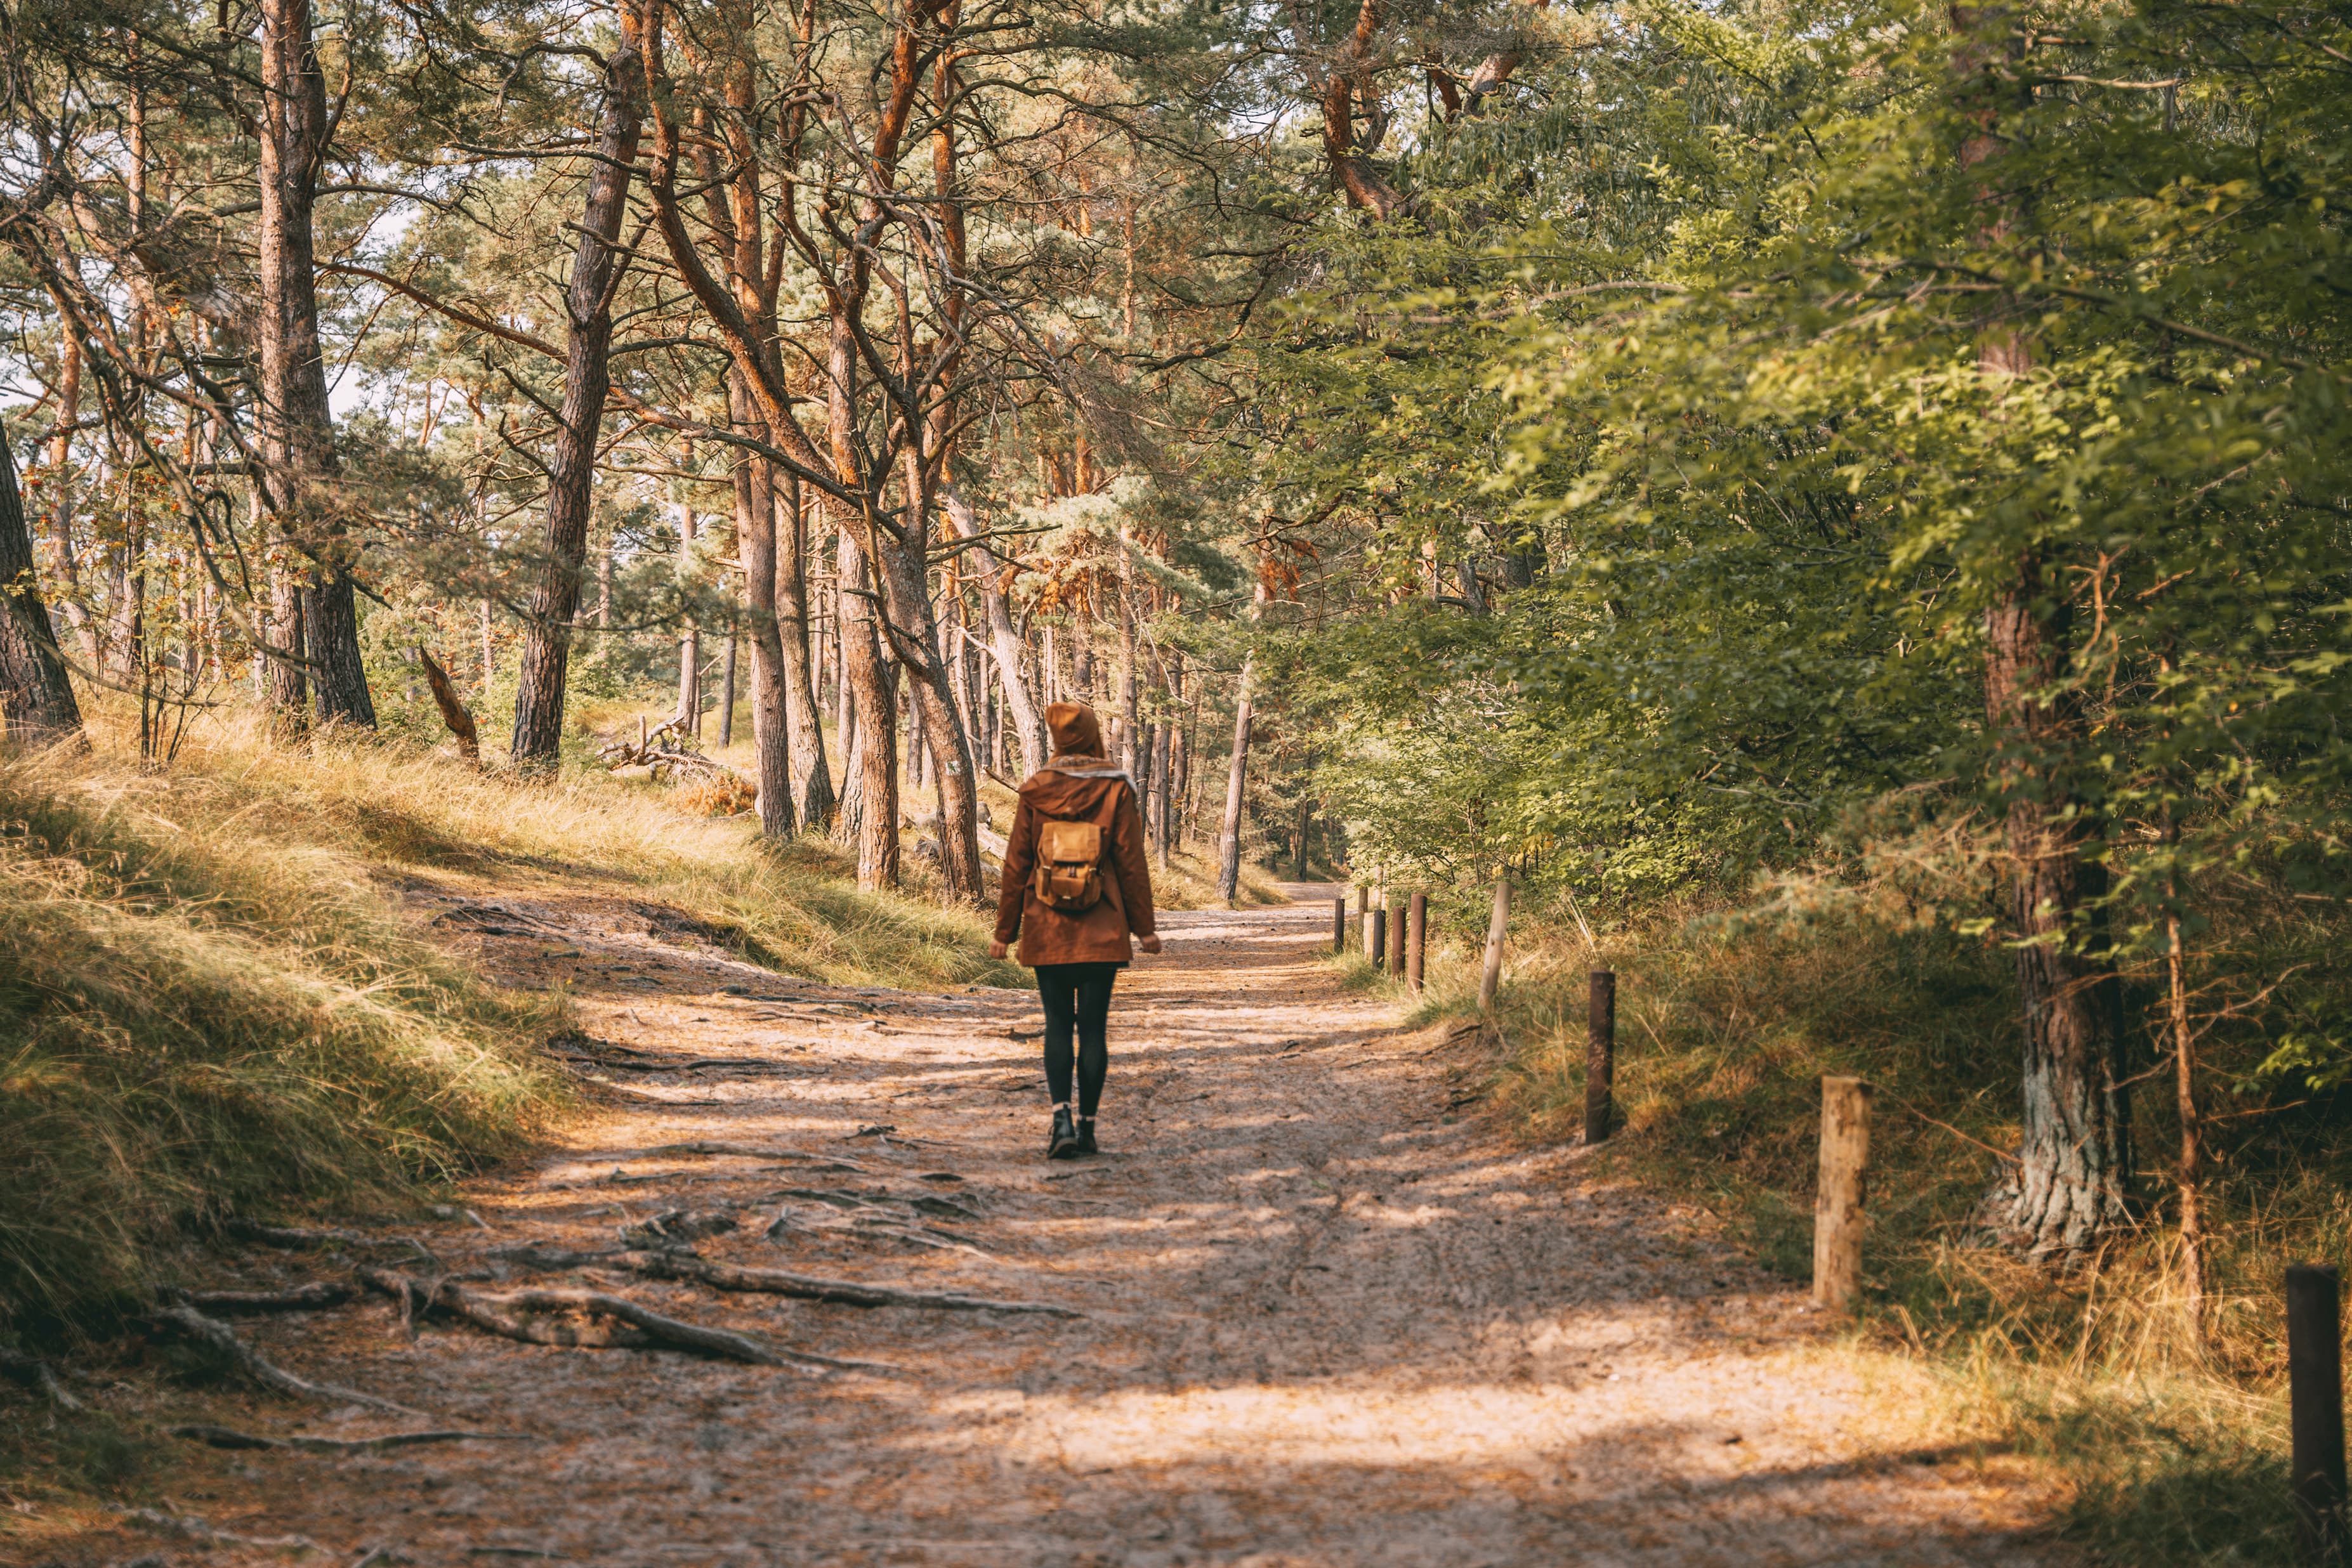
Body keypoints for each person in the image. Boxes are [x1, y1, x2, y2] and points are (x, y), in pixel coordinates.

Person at [990, 701, 1161, 1159]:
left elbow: (1016, 865)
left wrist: (1003, 932)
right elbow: (1129, 863)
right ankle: (1087, 1130)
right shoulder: (1116, 789)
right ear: (1090, 736)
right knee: (1094, 1029)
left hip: (1046, 927)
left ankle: (1060, 1118)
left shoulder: (1036, 791)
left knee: (1057, 1026)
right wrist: (1144, 929)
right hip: (1102, 929)